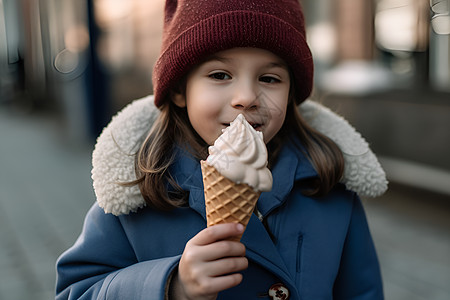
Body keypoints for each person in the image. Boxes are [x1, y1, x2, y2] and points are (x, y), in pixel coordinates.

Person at [56, 0, 388, 299]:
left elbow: (363, 291)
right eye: (219, 74)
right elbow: (78, 291)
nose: (246, 96)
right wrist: (172, 285)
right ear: (180, 91)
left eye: (270, 78)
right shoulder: (137, 188)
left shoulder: (329, 182)